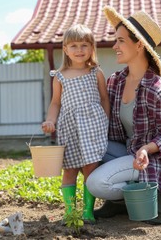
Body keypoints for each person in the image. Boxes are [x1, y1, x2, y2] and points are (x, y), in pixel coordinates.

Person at [86, 6, 161, 225]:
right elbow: (108, 127)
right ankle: (125, 200)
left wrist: (145, 148)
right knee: (85, 145)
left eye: (121, 41)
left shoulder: (160, 91)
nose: (115, 46)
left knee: (96, 184)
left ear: (139, 44)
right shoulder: (116, 81)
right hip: (128, 151)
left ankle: (157, 194)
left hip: (151, 159)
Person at [41, 24, 110, 225]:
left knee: (90, 168)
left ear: (92, 48)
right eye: (74, 46)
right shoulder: (59, 76)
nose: (79, 50)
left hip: (93, 126)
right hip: (69, 127)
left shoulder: (95, 72)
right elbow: (56, 103)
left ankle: (88, 211)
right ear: (65, 49)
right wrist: (50, 121)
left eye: (84, 45)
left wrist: (104, 121)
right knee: (70, 169)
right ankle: (70, 211)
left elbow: (104, 98)